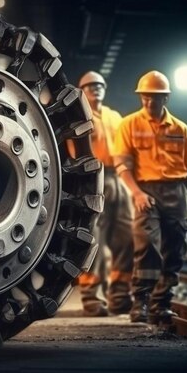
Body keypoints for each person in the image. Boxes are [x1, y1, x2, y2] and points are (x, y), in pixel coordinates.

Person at [113, 70, 187, 324]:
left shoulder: (181, 129)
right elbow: (122, 166)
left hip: (176, 191)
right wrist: (137, 193)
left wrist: (186, 202)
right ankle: (141, 303)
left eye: (155, 98)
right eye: (145, 97)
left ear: (166, 98)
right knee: (147, 244)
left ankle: (162, 303)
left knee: (175, 248)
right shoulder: (129, 124)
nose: (149, 102)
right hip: (145, 192)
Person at [75, 71, 135, 317]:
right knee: (95, 241)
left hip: (118, 176)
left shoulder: (115, 117)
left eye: (98, 85)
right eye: (89, 86)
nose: (95, 89)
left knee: (126, 237)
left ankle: (120, 295)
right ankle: (92, 298)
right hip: (91, 180)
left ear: (104, 88)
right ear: (82, 90)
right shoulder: (79, 116)